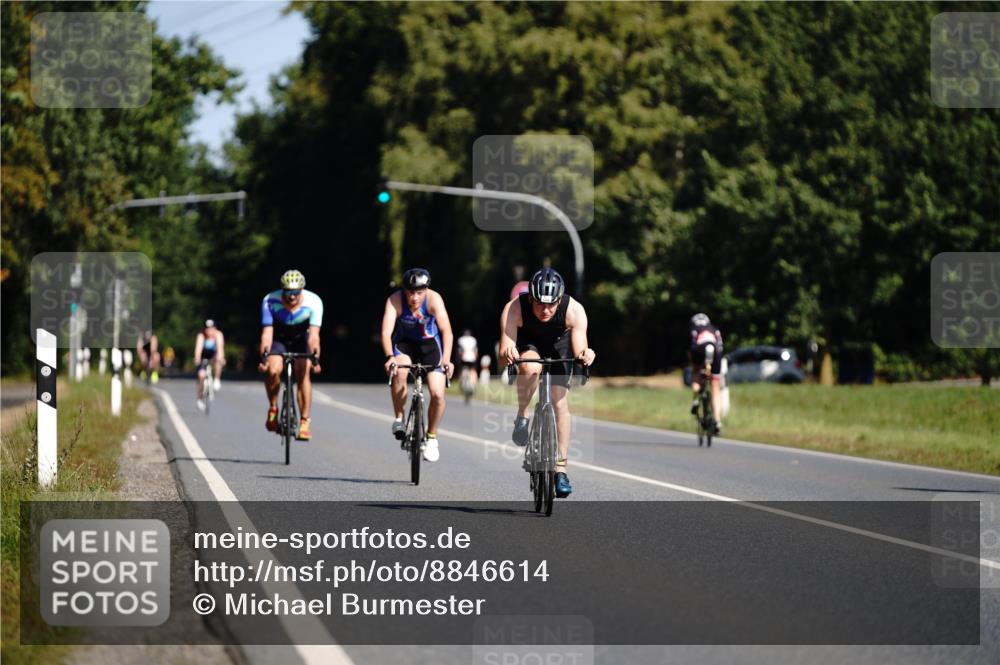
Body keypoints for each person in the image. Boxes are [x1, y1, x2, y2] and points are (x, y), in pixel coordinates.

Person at [499, 268, 596, 498]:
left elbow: (580, 346)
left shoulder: (573, 309)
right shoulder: (514, 308)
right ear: (531, 298)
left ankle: (560, 469)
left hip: (559, 344)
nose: (545, 310)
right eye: (540, 304)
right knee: (531, 368)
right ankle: (522, 415)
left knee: (560, 402)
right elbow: (504, 353)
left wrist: (586, 354)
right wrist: (509, 352)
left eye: (551, 304)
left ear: (559, 299)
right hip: (528, 343)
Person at [381, 268, 454, 462]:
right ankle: (399, 418)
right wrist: (390, 357)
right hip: (404, 344)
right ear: (404, 290)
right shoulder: (395, 300)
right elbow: (386, 332)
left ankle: (431, 437)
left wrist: (447, 360)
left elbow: (447, 331)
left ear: (426, 290)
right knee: (400, 372)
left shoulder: (434, 299)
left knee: (438, 393)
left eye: (419, 292)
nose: (414, 298)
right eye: (410, 292)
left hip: (430, 346)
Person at [257, 270, 323, 440]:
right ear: (282, 290)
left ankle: (304, 421)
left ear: (301, 290)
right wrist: (264, 356)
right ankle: (273, 408)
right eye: (287, 292)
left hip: (302, 340)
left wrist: (315, 357)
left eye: (295, 292)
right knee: (272, 371)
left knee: (303, 373)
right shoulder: (270, 300)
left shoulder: (314, 302)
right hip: (279, 340)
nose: (291, 296)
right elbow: (266, 334)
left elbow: (314, 336)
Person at [688, 312, 723, 434]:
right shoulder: (714, 329)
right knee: (715, 385)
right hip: (716, 352)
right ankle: (717, 420)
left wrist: (696, 366)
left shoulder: (694, 329)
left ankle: (696, 398)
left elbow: (692, 347)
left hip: (699, 349)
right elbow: (720, 346)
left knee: (696, 371)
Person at [194, 319, 226, 411]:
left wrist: (221, 358)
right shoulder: (201, 336)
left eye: (211, 329)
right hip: (204, 356)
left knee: (219, 360)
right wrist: (197, 359)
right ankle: (199, 398)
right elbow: (198, 349)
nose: (209, 331)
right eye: (207, 329)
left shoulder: (218, 335)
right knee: (201, 376)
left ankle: (217, 378)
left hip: (214, 356)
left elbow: (220, 348)